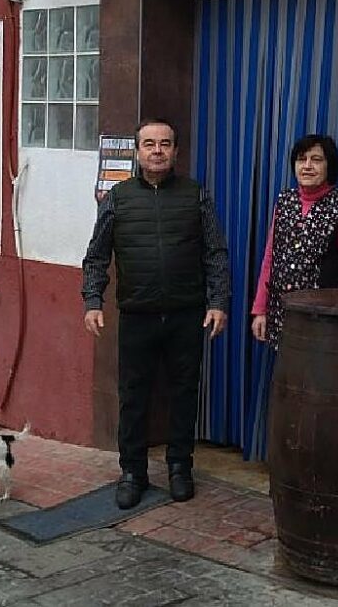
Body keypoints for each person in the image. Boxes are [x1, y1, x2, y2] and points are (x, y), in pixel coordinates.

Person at [82, 118, 230, 509]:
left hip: (186, 315)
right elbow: (96, 256)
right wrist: (93, 301)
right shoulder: (118, 197)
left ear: (176, 151)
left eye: (165, 143)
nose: (157, 150)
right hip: (138, 316)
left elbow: (215, 252)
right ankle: (132, 472)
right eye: (149, 144)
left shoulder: (195, 195)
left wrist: (218, 302)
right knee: (133, 397)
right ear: (137, 152)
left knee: (184, 394)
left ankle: (180, 467)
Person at [251, 134, 338, 347]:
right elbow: (270, 259)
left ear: (329, 166)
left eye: (316, 160)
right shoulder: (285, 202)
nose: (307, 166)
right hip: (283, 313)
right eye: (301, 159)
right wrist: (260, 309)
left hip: (324, 317)